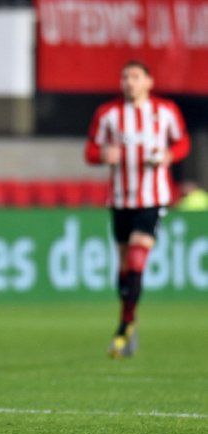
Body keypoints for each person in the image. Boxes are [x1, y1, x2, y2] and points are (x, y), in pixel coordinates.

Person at [84, 60, 190, 358]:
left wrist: (168, 155)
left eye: (135, 77)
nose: (129, 82)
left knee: (137, 255)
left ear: (148, 81)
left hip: (152, 198)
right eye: (125, 77)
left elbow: (182, 143)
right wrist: (103, 155)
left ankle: (123, 327)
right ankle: (130, 318)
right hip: (120, 199)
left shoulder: (165, 110)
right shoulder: (108, 114)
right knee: (123, 266)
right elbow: (90, 151)